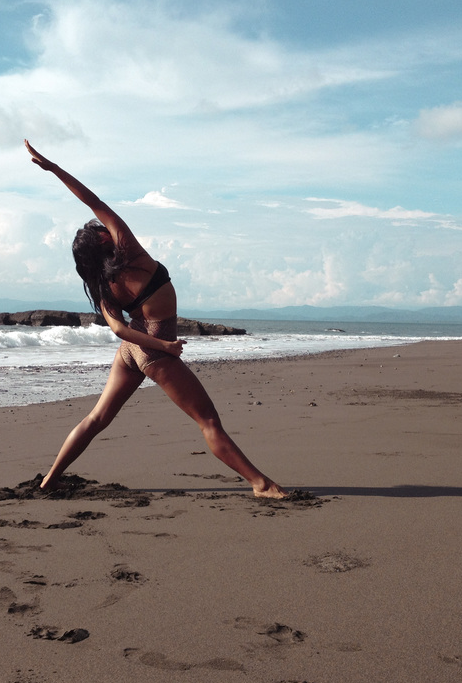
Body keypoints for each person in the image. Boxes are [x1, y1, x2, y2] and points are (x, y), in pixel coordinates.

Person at [25, 140, 286, 499]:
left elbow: (118, 330)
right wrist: (54, 168)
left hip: (132, 351)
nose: (102, 226)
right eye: (99, 229)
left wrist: (53, 170)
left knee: (97, 419)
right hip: (154, 352)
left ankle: (49, 480)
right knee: (208, 422)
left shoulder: (103, 286)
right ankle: (262, 484)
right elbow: (94, 201)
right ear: (104, 238)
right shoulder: (129, 250)